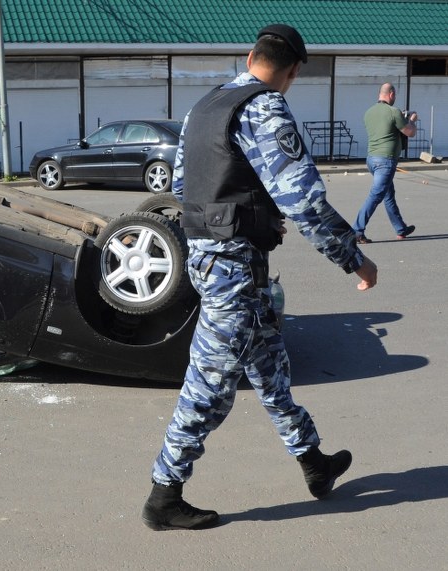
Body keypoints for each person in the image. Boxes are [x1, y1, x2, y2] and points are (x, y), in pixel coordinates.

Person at [142, 24, 379, 531]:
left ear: (251, 56)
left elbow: (184, 185)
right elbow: (303, 200)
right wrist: (353, 258)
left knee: (270, 367)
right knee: (208, 385)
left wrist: (248, 215)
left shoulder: (206, 105)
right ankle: (164, 495)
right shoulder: (265, 107)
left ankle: (314, 462)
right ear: (292, 72)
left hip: (209, 257)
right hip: (234, 268)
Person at [354, 83, 417, 243]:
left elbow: (385, 129)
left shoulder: (369, 112)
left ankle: (401, 228)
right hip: (385, 161)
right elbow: (410, 132)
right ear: (391, 94)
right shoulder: (393, 111)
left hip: (371, 159)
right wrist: (411, 120)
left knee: (388, 195)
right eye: (394, 95)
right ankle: (357, 231)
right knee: (375, 196)